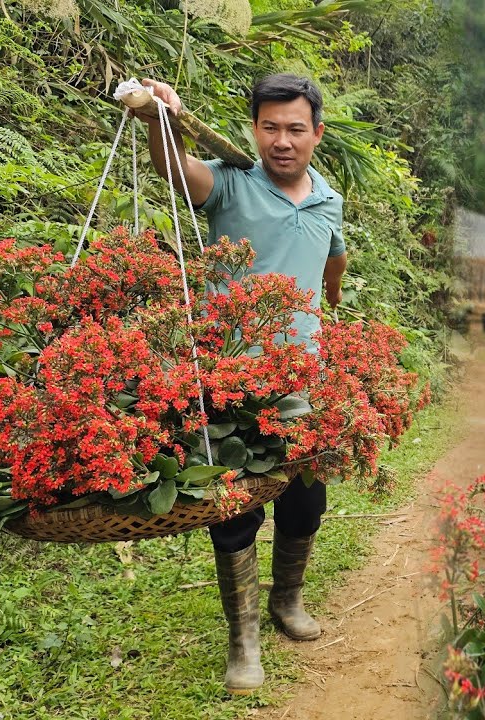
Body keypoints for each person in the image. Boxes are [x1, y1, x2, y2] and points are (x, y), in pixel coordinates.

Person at [135, 73, 347, 695]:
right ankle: (243, 638)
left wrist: (332, 307)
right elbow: (176, 173)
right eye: (270, 128)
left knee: (305, 498)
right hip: (231, 381)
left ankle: (287, 600)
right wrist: (158, 119)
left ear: (316, 133)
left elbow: (333, 253)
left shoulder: (328, 200)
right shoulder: (229, 183)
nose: (283, 141)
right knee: (232, 507)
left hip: (304, 382)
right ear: (255, 129)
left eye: (295, 129)